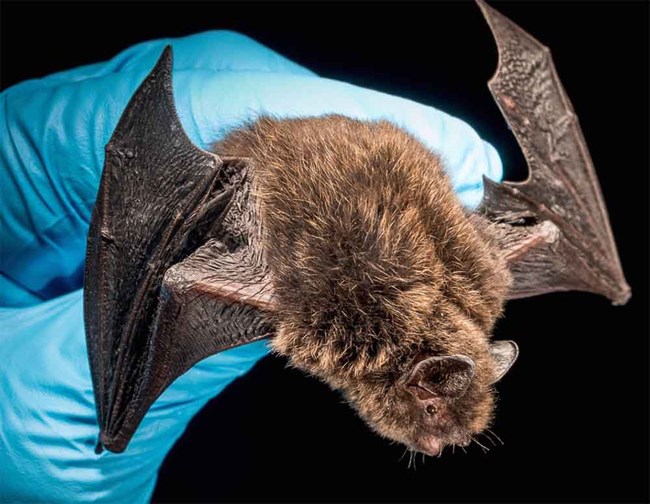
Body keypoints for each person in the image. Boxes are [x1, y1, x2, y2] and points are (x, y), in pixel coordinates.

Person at [0, 31, 502, 503]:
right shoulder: (339, 325)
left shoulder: (486, 283)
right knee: (187, 280)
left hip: (368, 158)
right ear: (422, 381)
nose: (432, 445)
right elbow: (269, 285)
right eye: (432, 417)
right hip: (258, 181)